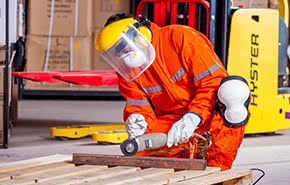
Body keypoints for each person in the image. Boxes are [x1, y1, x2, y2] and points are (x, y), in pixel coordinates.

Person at [95, 13, 250, 171]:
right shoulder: (127, 70)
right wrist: (137, 120)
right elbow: (137, 103)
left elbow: (212, 83)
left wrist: (194, 116)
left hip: (209, 111)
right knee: (138, 152)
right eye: (115, 52)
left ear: (139, 35)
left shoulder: (181, 38)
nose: (121, 56)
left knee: (233, 92)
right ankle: (192, 147)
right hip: (173, 120)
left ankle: (216, 169)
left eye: (122, 47)